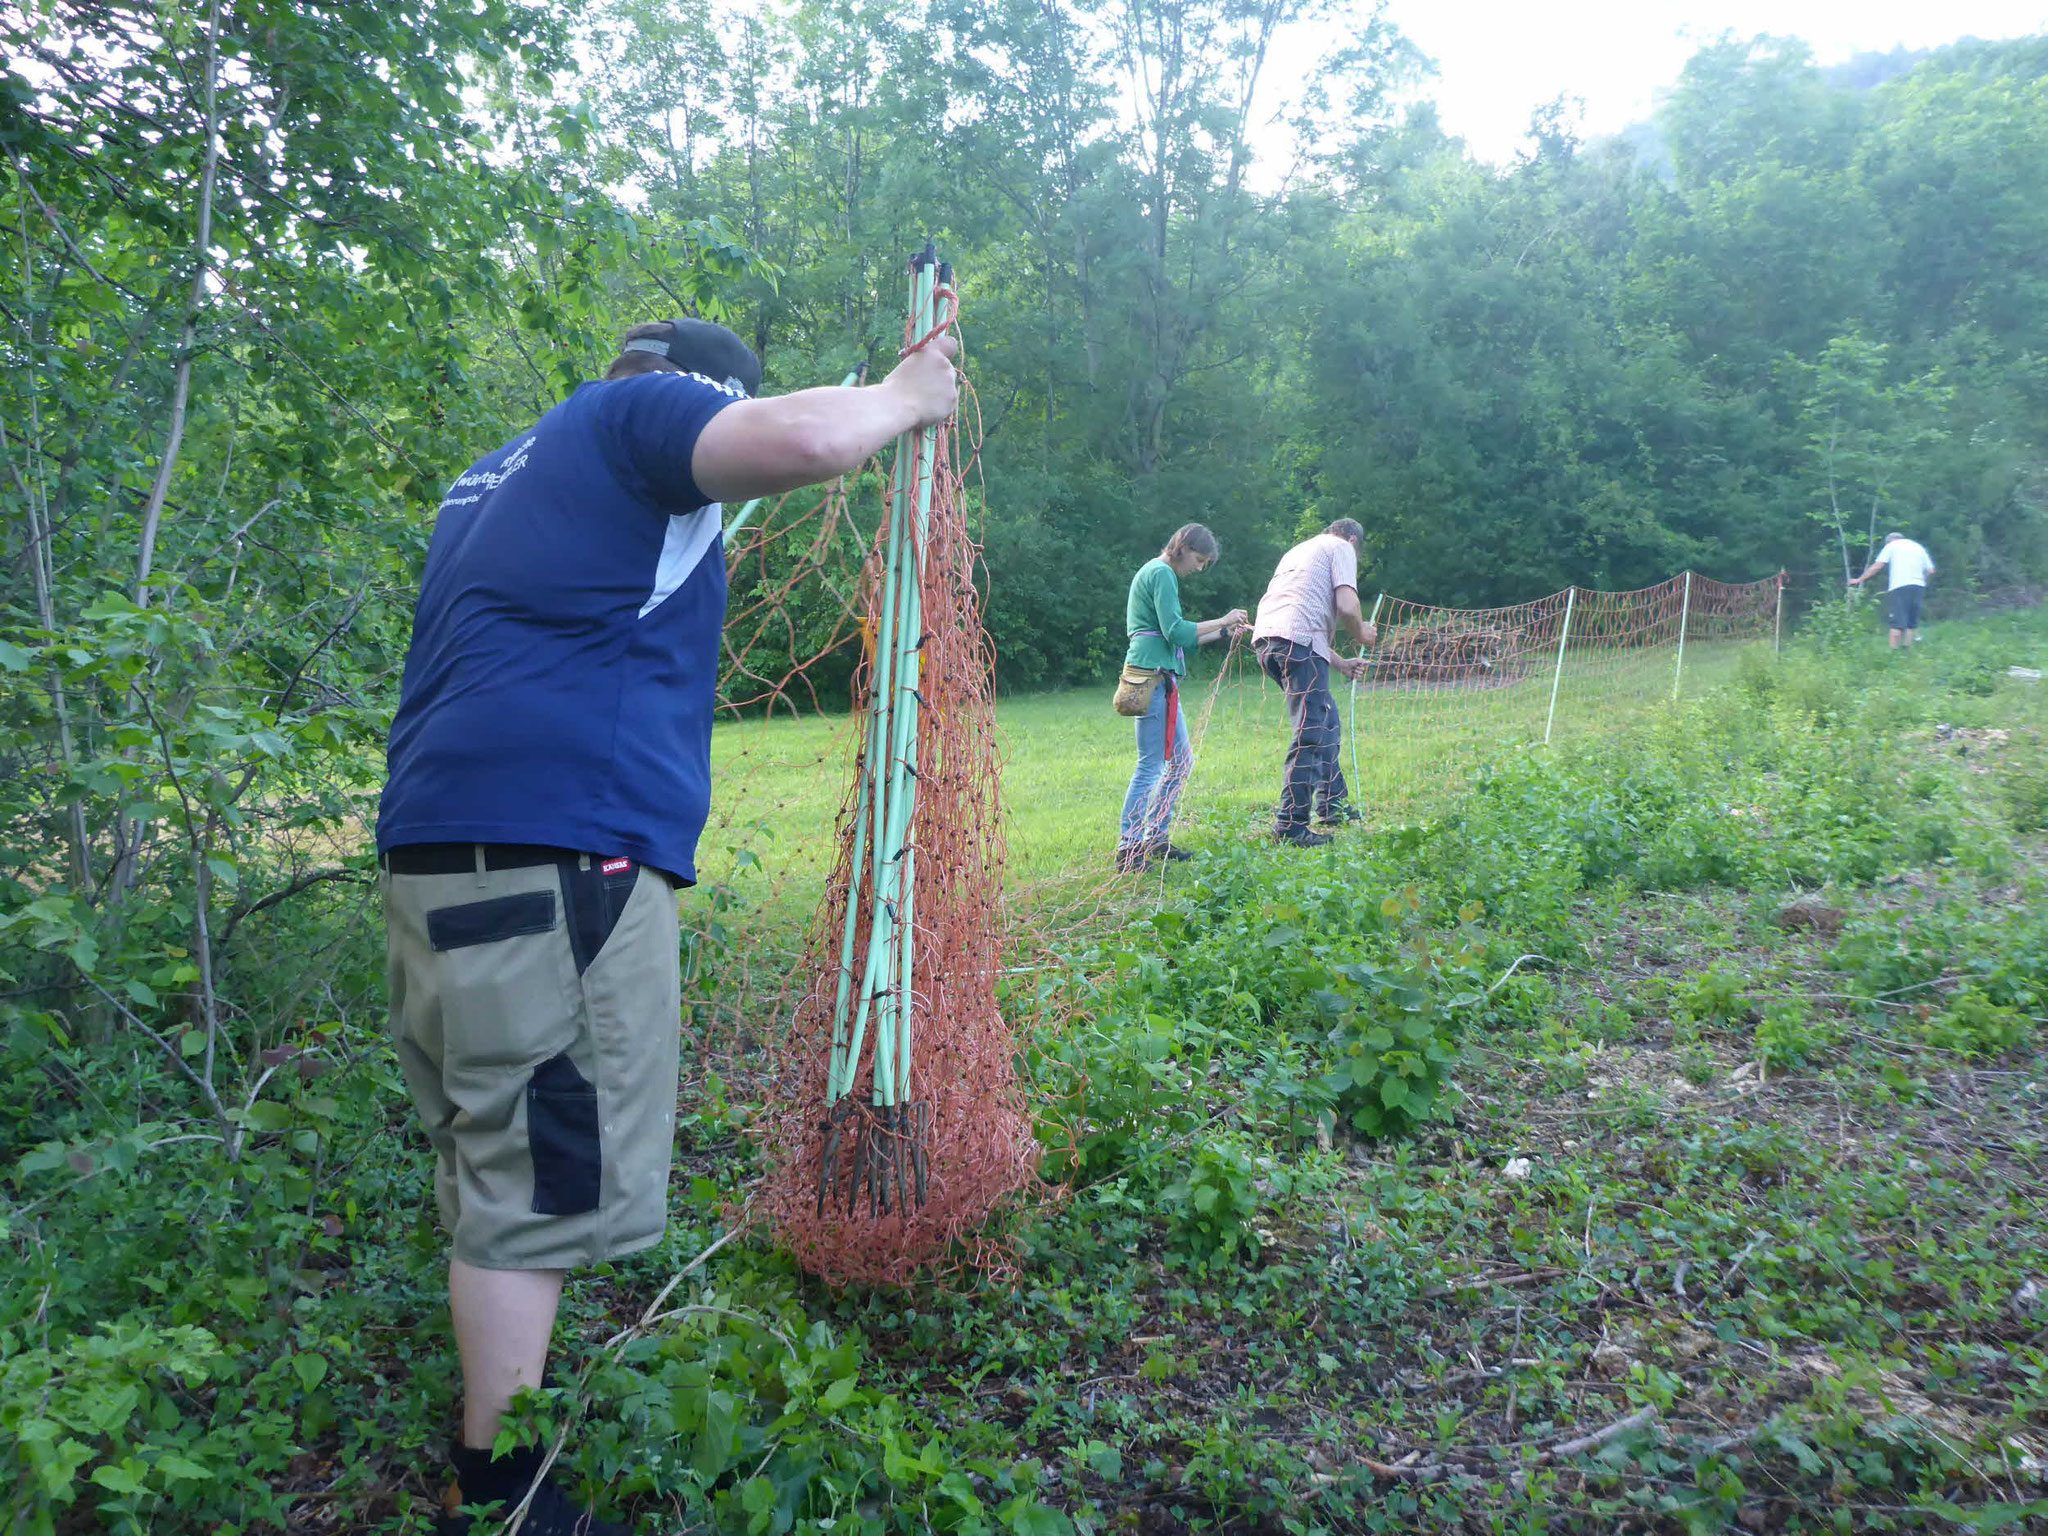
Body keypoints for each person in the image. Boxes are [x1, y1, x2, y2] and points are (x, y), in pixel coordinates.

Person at [376, 316, 959, 1535]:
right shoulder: (632, 420)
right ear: (697, 391)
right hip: (552, 857)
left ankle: (493, 1463)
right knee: (535, 1186)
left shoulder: (500, 470)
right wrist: (904, 396)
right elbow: (803, 437)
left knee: (498, 1167)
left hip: (441, 854)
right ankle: (508, 1499)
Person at [1115, 524, 1248, 871]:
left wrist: (1222, 631)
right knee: (1151, 765)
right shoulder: (1161, 573)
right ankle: (1129, 848)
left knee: (1181, 762)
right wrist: (1223, 618)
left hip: (1162, 676)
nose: (1199, 568)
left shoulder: (1157, 573)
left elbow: (1180, 639)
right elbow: (1176, 629)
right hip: (1152, 677)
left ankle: (1156, 838)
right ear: (1183, 547)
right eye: (1199, 559)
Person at [1251, 518, 1378, 847]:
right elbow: (1347, 606)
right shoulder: (1341, 548)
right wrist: (1363, 632)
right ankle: (1291, 826)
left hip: (1269, 643)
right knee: (1310, 733)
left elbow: (1299, 620)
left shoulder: (1299, 551)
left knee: (1325, 720)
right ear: (1352, 539)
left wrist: (1341, 663)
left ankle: (1332, 805)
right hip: (1297, 644)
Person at [1849, 531, 1935, 648]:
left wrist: (1860, 579)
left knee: (1896, 621)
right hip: (1918, 586)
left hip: (1900, 586)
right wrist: (1923, 581)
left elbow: (1878, 565)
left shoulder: (1891, 546)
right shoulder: (1918, 547)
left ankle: (1893, 653)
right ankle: (1905, 651)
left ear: (1889, 541)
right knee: (1911, 622)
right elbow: (1931, 571)